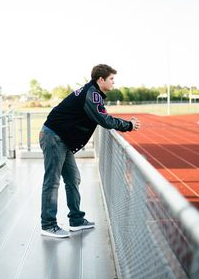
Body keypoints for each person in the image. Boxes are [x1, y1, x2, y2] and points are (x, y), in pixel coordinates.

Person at [39, 64, 140, 238]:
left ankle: (76, 220)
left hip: (62, 139)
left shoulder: (93, 92)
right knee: (52, 181)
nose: (113, 82)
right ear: (101, 79)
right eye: (111, 79)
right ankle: (48, 224)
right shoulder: (92, 94)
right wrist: (128, 125)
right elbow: (104, 119)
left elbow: (101, 115)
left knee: (73, 179)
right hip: (54, 137)